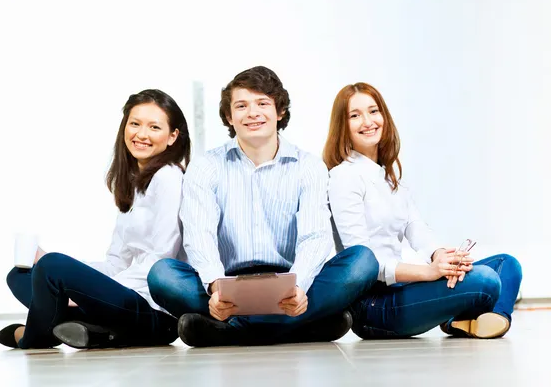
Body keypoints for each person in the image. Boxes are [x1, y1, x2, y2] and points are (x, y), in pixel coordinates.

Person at [147, 66, 379, 347]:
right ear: (230, 117)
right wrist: (215, 287)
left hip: (290, 281)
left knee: (362, 262)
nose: (252, 113)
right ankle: (302, 326)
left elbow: (315, 237)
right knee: (162, 275)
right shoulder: (205, 166)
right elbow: (199, 235)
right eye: (241, 106)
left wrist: (299, 288)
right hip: (228, 282)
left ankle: (232, 330)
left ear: (279, 112)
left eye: (262, 103)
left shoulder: (308, 166)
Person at [324, 82, 522, 339]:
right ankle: (467, 317)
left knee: (507, 265)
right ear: (343, 126)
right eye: (355, 115)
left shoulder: (389, 177)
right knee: (485, 280)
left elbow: (416, 227)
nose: (367, 121)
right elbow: (362, 263)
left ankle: (470, 321)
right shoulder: (343, 177)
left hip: (403, 286)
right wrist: (429, 272)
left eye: (373, 111)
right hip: (373, 305)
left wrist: (442, 257)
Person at [0, 89, 191, 349]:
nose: (141, 134)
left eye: (154, 127)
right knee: (20, 275)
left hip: (152, 310)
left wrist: (84, 294)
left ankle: (32, 336)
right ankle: (94, 330)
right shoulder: (132, 184)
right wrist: (47, 262)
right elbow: (115, 263)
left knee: (54, 267)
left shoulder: (169, 178)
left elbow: (161, 260)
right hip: (120, 300)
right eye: (135, 124)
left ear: (172, 136)